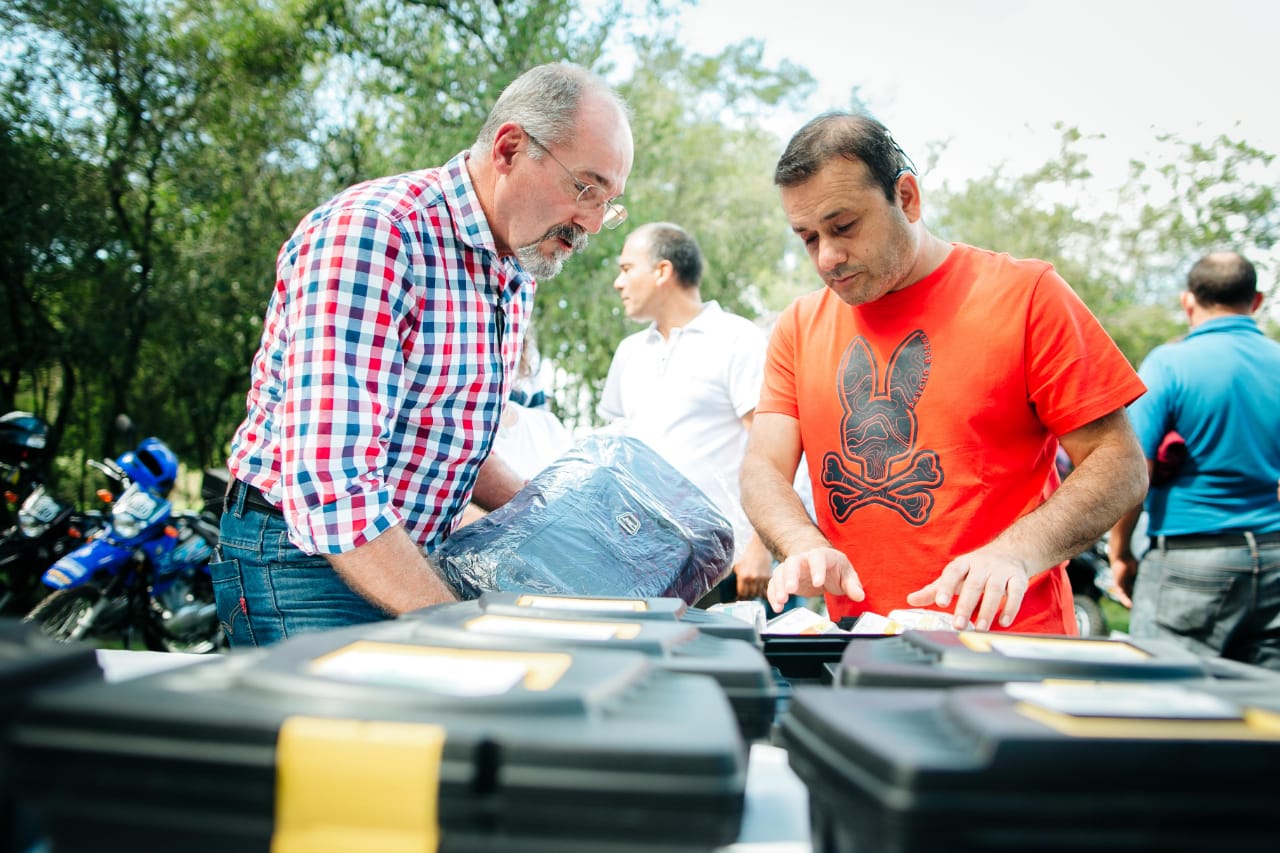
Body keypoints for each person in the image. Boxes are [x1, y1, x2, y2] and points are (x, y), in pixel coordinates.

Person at [213, 62, 634, 646]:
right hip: (303, 560)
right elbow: (333, 482)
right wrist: (459, 630)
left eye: (608, 203)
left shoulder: (515, 266)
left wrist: (564, 524)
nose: (590, 222)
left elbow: (448, 438)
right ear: (510, 149)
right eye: (584, 188)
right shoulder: (375, 235)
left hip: (406, 555)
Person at [745, 112, 1148, 634]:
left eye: (843, 227)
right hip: (860, 647)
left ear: (907, 198)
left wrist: (1016, 555)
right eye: (807, 238)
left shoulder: (1026, 295)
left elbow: (1119, 463)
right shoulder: (798, 325)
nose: (828, 257)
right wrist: (800, 541)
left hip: (1007, 647)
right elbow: (763, 468)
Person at [1108, 252, 1280, 667]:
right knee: (1266, 713)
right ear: (1255, 301)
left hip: (1191, 561)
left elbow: (1134, 469)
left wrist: (1120, 552)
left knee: (1166, 703)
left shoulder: (1169, 364)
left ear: (1188, 301)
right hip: (1275, 558)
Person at [598, 222, 774, 602]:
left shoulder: (737, 339)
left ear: (662, 271)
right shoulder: (629, 352)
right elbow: (616, 452)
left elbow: (770, 449)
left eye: (626, 269)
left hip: (720, 563)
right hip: (637, 560)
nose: (618, 282)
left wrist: (761, 545)